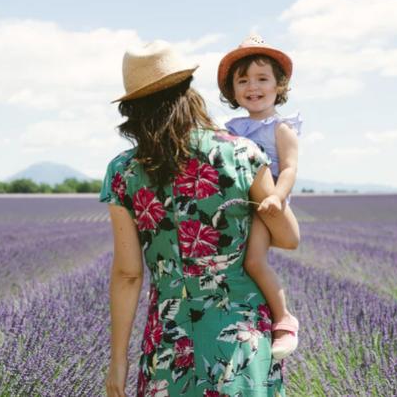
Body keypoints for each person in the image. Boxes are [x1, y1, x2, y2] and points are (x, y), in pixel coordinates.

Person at [101, 40, 300, 397]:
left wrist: (118, 361)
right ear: (188, 92)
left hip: (168, 338)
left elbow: (128, 274)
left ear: (133, 109)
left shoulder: (123, 171)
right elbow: (288, 238)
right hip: (240, 339)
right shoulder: (240, 152)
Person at [217, 35, 302, 361]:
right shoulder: (231, 127)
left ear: (279, 86)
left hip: (266, 205)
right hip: (240, 204)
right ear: (233, 91)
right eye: (243, 80)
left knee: (254, 261)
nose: (253, 87)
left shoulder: (281, 128)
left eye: (262, 79)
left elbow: (291, 169)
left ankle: (284, 318)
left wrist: (277, 197)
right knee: (235, 264)